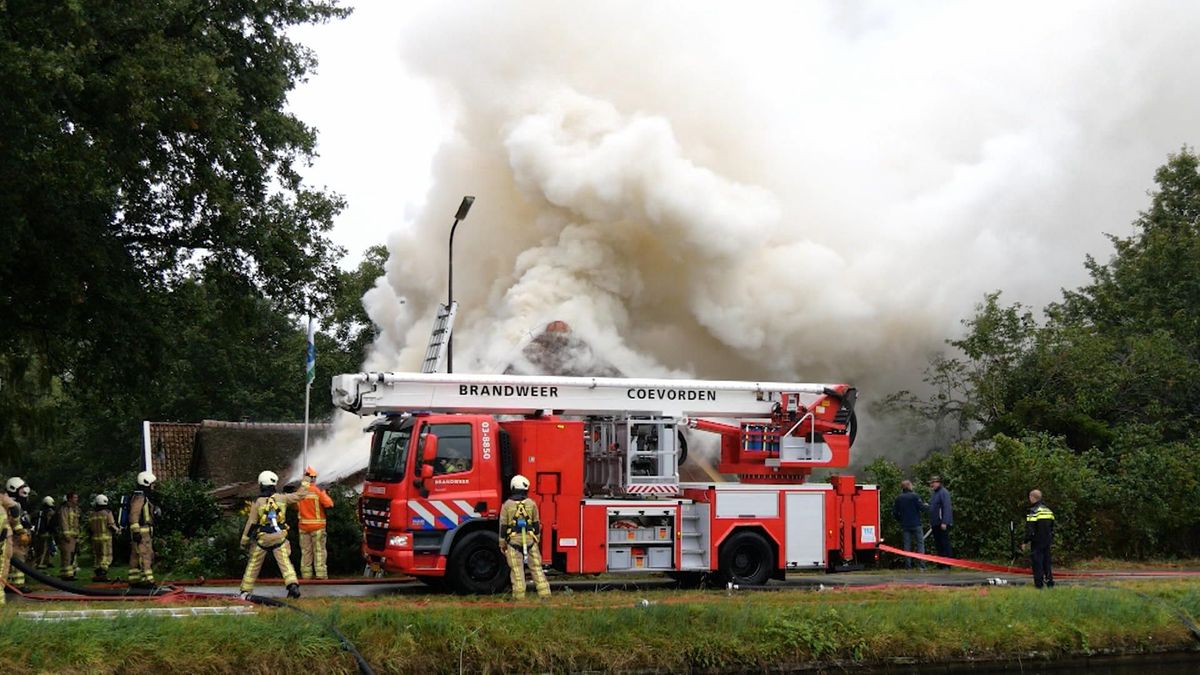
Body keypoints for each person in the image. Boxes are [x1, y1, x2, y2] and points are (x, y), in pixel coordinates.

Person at [239, 470, 310, 599]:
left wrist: (244, 541)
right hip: (279, 537)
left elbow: (251, 523)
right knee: (285, 563)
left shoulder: (257, 502)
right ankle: (293, 586)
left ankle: (245, 590)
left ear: (261, 485)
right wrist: (306, 480)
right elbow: (300, 495)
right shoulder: (283, 498)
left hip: (263, 539)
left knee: (253, 564)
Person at [498, 474, 550, 600]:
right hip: (530, 541)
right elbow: (536, 524)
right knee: (537, 568)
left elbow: (503, 526)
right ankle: (545, 594)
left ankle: (519, 597)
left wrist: (502, 543)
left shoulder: (507, 505)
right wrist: (536, 539)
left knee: (517, 570)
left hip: (513, 543)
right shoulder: (531, 504)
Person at [296, 466, 334, 581]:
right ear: (314, 478)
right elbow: (329, 504)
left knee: (306, 552)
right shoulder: (317, 491)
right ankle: (321, 575)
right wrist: (324, 492)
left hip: (303, 527)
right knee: (319, 551)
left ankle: (306, 576)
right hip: (318, 527)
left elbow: (295, 506)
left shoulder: (299, 492)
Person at [128, 471, 159, 587]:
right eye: (152, 484)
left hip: (141, 531)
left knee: (136, 556)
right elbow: (134, 514)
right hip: (142, 532)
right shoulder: (140, 497)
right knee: (146, 555)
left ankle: (134, 579)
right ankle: (148, 579)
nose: (153, 487)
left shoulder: (141, 497)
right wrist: (136, 531)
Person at [1022, 489, 1056, 589]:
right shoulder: (1048, 511)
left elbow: (1030, 529)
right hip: (1047, 540)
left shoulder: (1033, 511)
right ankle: (1049, 582)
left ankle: (1039, 584)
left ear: (1032, 498)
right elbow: (1052, 526)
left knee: (1037, 562)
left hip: (1037, 541)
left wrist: (1025, 541)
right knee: (1047, 562)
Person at [5, 477, 33, 589]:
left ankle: (12, 584)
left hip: (17, 538)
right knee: (17, 560)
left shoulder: (17, 504)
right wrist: (21, 531)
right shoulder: (9, 504)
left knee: (16, 561)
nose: (24, 494)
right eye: (22, 491)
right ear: (13, 489)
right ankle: (17, 585)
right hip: (13, 538)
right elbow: (12, 521)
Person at [891, 480, 926, 570]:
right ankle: (921, 565)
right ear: (909, 486)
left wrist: (900, 520)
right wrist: (928, 506)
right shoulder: (915, 496)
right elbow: (922, 508)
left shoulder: (899, 498)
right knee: (920, 544)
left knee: (907, 545)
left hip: (905, 525)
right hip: (916, 523)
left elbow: (894, 513)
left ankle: (908, 566)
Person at [89, 494, 121, 581]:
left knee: (97, 556)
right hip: (105, 538)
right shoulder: (107, 512)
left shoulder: (92, 514)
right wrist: (118, 530)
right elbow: (111, 525)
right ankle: (102, 574)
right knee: (106, 556)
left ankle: (97, 573)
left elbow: (90, 527)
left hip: (95, 538)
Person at [927, 476, 953, 567]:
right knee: (938, 544)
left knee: (944, 543)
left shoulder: (944, 492)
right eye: (931, 483)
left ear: (938, 482)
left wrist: (944, 522)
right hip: (935, 523)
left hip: (942, 523)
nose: (931, 485)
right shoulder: (934, 493)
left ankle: (947, 563)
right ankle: (941, 563)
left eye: (933, 483)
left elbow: (946, 507)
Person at [56, 491, 82, 580]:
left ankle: (71, 573)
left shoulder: (76, 509)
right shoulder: (64, 509)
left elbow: (77, 523)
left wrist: (78, 535)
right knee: (67, 555)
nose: (76, 499)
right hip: (67, 537)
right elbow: (64, 522)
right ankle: (66, 574)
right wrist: (66, 534)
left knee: (72, 555)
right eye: (75, 498)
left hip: (74, 536)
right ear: (70, 499)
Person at [0, 490, 18, 605]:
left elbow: (15, 509)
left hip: (3, 537)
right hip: (3, 537)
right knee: (2, 566)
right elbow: (15, 509)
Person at [32, 496, 57, 569]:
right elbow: (50, 523)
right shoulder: (48, 512)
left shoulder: (40, 512)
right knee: (43, 549)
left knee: (45, 548)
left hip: (42, 533)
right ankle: (40, 563)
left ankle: (45, 562)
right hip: (44, 533)